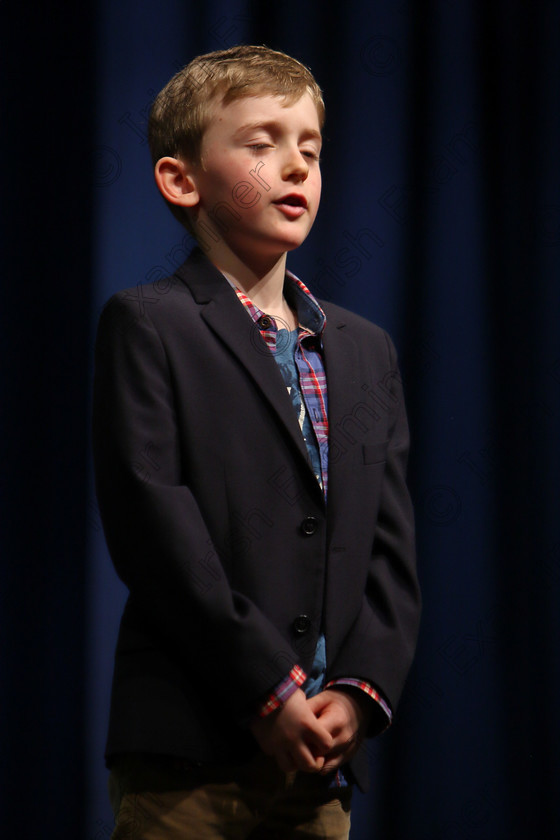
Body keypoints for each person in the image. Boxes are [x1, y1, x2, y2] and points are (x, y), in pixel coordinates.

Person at [92, 44, 421, 840]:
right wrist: (269, 691)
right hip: (189, 752)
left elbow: (389, 547)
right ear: (182, 180)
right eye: (263, 143)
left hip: (316, 761)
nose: (297, 165)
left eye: (309, 147)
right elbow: (156, 530)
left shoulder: (363, 346)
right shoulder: (150, 324)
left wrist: (357, 691)